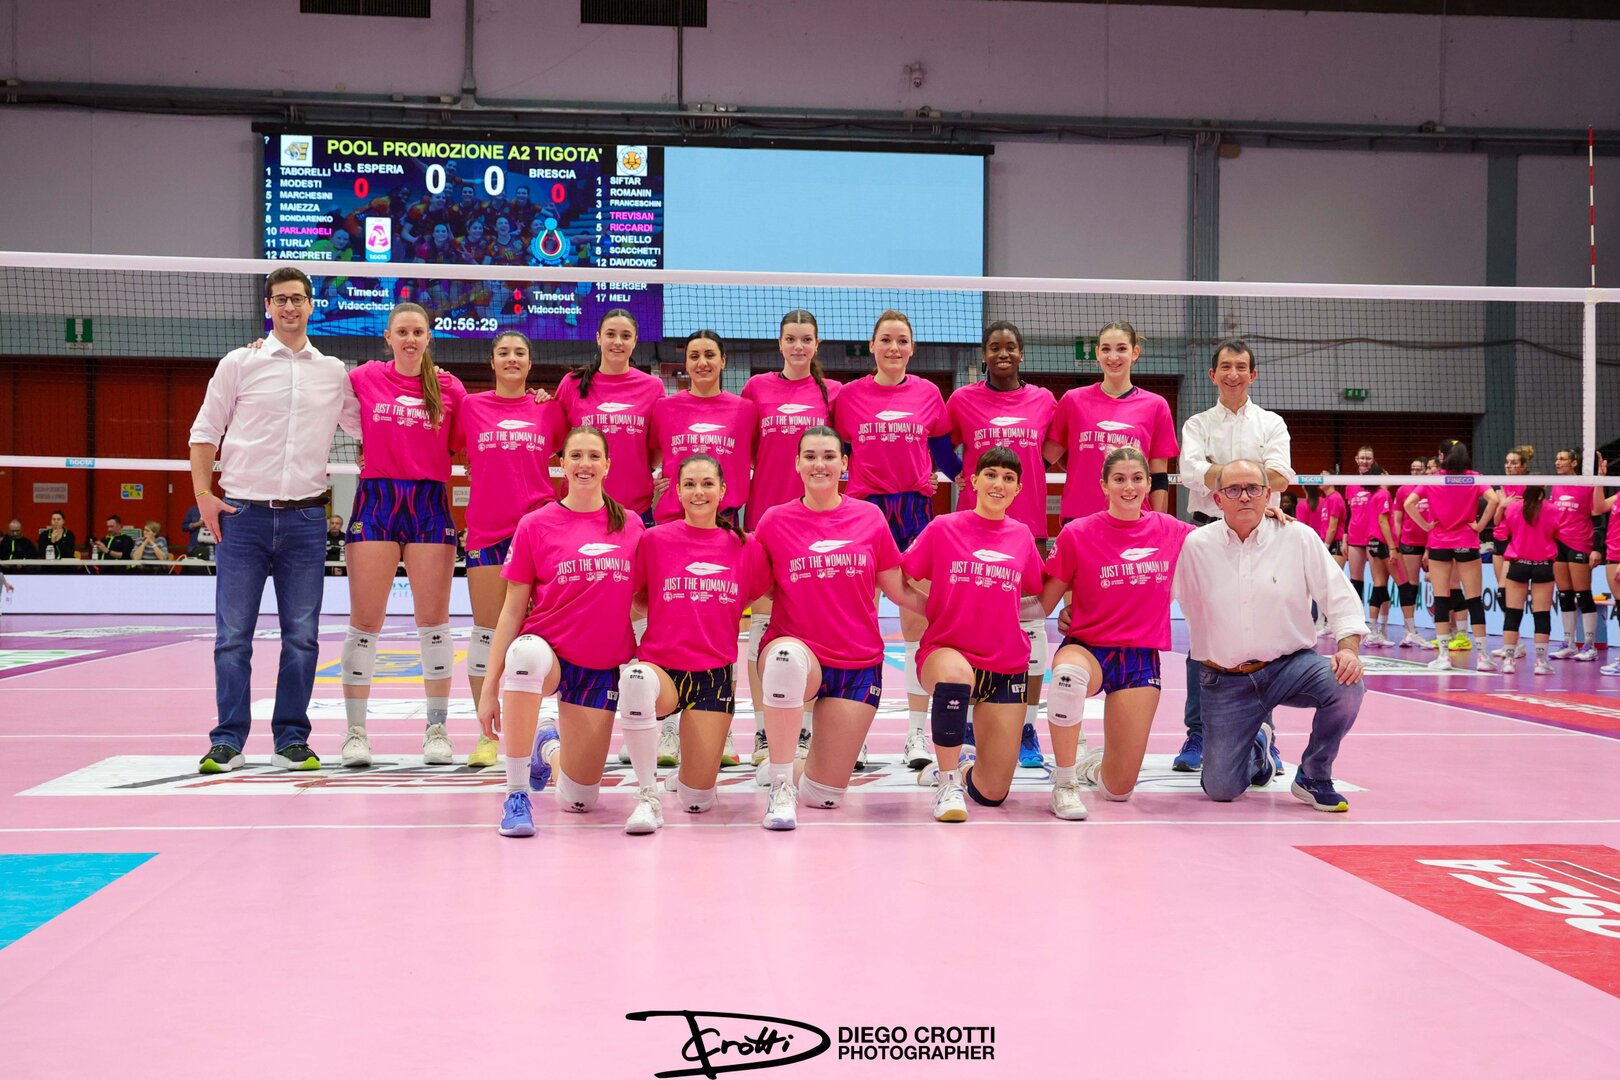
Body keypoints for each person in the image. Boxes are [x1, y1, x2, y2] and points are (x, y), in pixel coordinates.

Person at [190, 266, 361, 773]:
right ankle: (227, 740)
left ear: (311, 305)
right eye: (280, 299)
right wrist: (204, 495)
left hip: (306, 520)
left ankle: (291, 739)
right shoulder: (238, 363)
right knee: (232, 637)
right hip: (242, 517)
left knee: (302, 638)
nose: (289, 307)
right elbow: (204, 434)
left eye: (297, 299)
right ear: (268, 306)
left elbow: (370, 423)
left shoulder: (333, 372)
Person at [754, 426, 927, 831]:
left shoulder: (869, 517)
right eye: (810, 456)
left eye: (829, 456)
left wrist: (951, 612)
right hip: (798, 653)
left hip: (856, 662)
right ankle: (780, 784)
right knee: (784, 657)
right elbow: (755, 586)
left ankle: (792, 768)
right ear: (797, 464)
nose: (820, 464)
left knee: (823, 796)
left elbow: (898, 590)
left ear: (844, 464)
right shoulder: (774, 521)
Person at [478, 426, 646, 837]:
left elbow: (643, 600)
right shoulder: (535, 524)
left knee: (579, 799)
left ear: (607, 465)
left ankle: (547, 745)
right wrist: (488, 687)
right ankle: (516, 795)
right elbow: (511, 610)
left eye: (594, 456)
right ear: (562, 464)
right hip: (548, 654)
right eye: (576, 456)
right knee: (524, 655)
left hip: (599, 665)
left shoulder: (631, 525)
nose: (585, 464)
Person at [1172, 459, 1367, 811]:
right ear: (1218, 500)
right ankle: (1259, 749)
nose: (1245, 496)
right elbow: (1161, 597)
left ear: (1268, 496)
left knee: (1346, 684)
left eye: (1253, 488)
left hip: (1289, 667)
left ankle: (1314, 775)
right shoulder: (1195, 546)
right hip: (1225, 680)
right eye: (1234, 490)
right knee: (1221, 788)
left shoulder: (1298, 537)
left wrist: (1349, 649)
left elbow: (1341, 599)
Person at [339, 301, 468, 768]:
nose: (410, 339)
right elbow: (313, 383)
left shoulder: (450, 388)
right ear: (388, 337)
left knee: (433, 621)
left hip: (429, 503)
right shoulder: (364, 377)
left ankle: (437, 729)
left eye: (418, 332)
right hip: (377, 500)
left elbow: (474, 437)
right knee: (365, 622)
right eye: (403, 332)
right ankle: (355, 733)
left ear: (429, 338)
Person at [1037, 446, 1197, 819]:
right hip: (1088, 648)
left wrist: (1269, 517)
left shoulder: (1173, 531)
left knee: (1117, 791)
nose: (1129, 487)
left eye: (1137, 479)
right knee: (1067, 676)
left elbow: (1225, 540)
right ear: (1104, 485)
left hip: (1139, 659)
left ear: (1148, 484)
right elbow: (1042, 604)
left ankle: (1091, 767)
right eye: (1119, 479)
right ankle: (1064, 785)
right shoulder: (1077, 533)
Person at [830, 310, 955, 771]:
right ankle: (853, 733)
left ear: (912, 348)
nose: (894, 348)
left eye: (902, 340)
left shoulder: (928, 394)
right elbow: (835, 452)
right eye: (886, 339)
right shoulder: (848, 397)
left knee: (916, 621)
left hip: (915, 513)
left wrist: (978, 480)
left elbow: (944, 454)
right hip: (864, 514)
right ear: (872, 346)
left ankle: (916, 734)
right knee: (856, 621)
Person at [902, 448, 1045, 822]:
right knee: (954, 676)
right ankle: (948, 782)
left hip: (1005, 664)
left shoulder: (1021, 536)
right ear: (975, 481)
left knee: (992, 793)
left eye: (1009, 478)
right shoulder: (943, 528)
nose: (999, 484)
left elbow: (1037, 593)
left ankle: (962, 767)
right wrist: (933, 608)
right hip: (947, 652)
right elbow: (902, 578)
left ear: (1018, 489)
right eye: (991, 475)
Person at [629, 455, 770, 829]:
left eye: (707, 484)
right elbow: (637, 598)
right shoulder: (654, 541)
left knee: (697, 802)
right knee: (635, 680)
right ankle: (647, 796)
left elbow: (757, 595)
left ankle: (688, 776)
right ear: (676, 491)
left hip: (713, 675)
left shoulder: (746, 546)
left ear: (723, 490)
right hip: (661, 671)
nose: (698, 492)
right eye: (689, 484)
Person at [1173, 338, 1295, 772]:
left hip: (1261, 536)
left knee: (1259, 635)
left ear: (1253, 374)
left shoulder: (1271, 423)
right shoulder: (1197, 424)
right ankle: (1197, 734)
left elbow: (1281, 477)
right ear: (1213, 375)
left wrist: (1218, 473)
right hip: (1207, 533)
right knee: (1202, 635)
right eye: (1225, 366)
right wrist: (1251, 478)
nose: (1233, 374)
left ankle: (1264, 733)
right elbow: (1190, 471)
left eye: (1241, 367)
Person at [949, 321, 1059, 769]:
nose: (1002, 354)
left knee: (1029, 628)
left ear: (1021, 353)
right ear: (984, 354)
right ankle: (971, 722)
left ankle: (1026, 726)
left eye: (1010, 347)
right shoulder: (963, 399)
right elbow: (938, 442)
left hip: (1028, 529)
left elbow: (1052, 452)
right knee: (974, 627)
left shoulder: (1044, 400)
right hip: (972, 531)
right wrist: (956, 473)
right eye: (994, 347)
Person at [647, 330, 757, 767]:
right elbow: (649, 456)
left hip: (723, 525)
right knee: (669, 623)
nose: (702, 362)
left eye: (710, 354)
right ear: (685, 363)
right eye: (694, 355)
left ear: (724, 360)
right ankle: (668, 728)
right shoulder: (663, 408)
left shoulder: (745, 409)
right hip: (672, 526)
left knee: (720, 627)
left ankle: (719, 728)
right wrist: (657, 487)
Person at [458, 330, 566, 770]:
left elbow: (580, 452)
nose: (511, 359)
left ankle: (545, 730)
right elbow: (439, 443)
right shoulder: (470, 407)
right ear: (492, 361)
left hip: (537, 532)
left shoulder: (548, 410)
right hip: (486, 531)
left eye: (519, 352)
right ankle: (486, 735)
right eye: (503, 352)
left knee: (540, 637)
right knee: (487, 634)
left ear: (529, 362)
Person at [741, 310, 840, 765]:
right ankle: (765, 732)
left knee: (815, 624)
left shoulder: (832, 392)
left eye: (806, 339)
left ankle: (811, 731)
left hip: (818, 523)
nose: (798, 347)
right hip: (766, 518)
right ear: (779, 344)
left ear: (817, 345)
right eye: (790, 339)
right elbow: (743, 449)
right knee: (763, 624)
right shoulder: (756, 389)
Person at [554, 309, 664, 526]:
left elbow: (655, 452)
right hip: (579, 508)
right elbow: (555, 440)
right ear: (598, 338)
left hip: (635, 509)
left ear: (635, 341)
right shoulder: (572, 383)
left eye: (626, 336)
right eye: (610, 334)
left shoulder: (652, 387)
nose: (618, 342)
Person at [1404, 440, 1499, 671]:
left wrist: (1426, 526)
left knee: (1441, 599)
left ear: (1442, 456)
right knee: (1474, 600)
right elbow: (1495, 500)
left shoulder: (1434, 479)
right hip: (1467, 542)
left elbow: (1408, 504)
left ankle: (1444, 656)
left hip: (1439, 543)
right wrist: (1480, 526)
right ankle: (1483, 656)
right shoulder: (1473, 477)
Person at [1548, 447, 1605, 661]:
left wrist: (1597, 548)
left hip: (1580, 543)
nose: (1557, 462)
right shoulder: (1555, 485)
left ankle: (1589, 645)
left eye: (1562, 459)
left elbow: (1598, 517)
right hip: (1558, 544)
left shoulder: (1587, 484)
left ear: (1574, 463)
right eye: (1556, 458)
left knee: (1583, 594)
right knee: (1564, 595)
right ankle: (1569, 643)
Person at [1495, 484, 1558, 675]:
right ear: (1543, 487)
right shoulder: (1552, 509)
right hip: (1543, 565)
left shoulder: (1513, 508)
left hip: (1518, 564)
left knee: (1513, 613)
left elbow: (1500, 533)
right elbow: (1559, 533)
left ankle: (1509, 660)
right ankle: (1540, 662)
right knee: (1542, 614)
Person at [1343, 448, 1400, 647]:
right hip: (1355, 538)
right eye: (1362, 457)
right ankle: (1357, 627)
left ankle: (1381, 629)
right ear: (1356, 459)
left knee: (1380, 582)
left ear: (1373, 460)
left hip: (1375, 538)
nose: (1365, 461)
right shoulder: (1350, 484)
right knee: (1356, 583)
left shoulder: (1379, 485)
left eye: (1368, 458)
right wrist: (1345, 537)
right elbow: (1349, 513)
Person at [1488, 445, 1535, 660]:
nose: (1509, 466)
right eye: (1507, 462)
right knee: (1502, 596)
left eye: (1514, 463)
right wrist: (1502, 505)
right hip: (1499, 540)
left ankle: (1515, 643)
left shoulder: (1528, 487)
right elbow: (1497, 519)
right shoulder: (1502, 485)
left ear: (1524, 467)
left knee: (1507, 593)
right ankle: (1514, 642)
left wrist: (1508, 505)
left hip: (1515, 543)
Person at [1392, 458, 1433, 648]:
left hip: (1433, 542)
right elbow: (1397, 519)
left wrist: (1429, 548)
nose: (1416, 472)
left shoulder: (1432, 487)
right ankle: (1410, 630)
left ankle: (1450, 631)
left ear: (1426, 471)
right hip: (1409, 543)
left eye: (1419, 469)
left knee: (1444, 587)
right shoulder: (1403, 490)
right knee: (1410, 587)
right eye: (1413, 469)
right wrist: (1396, 544)